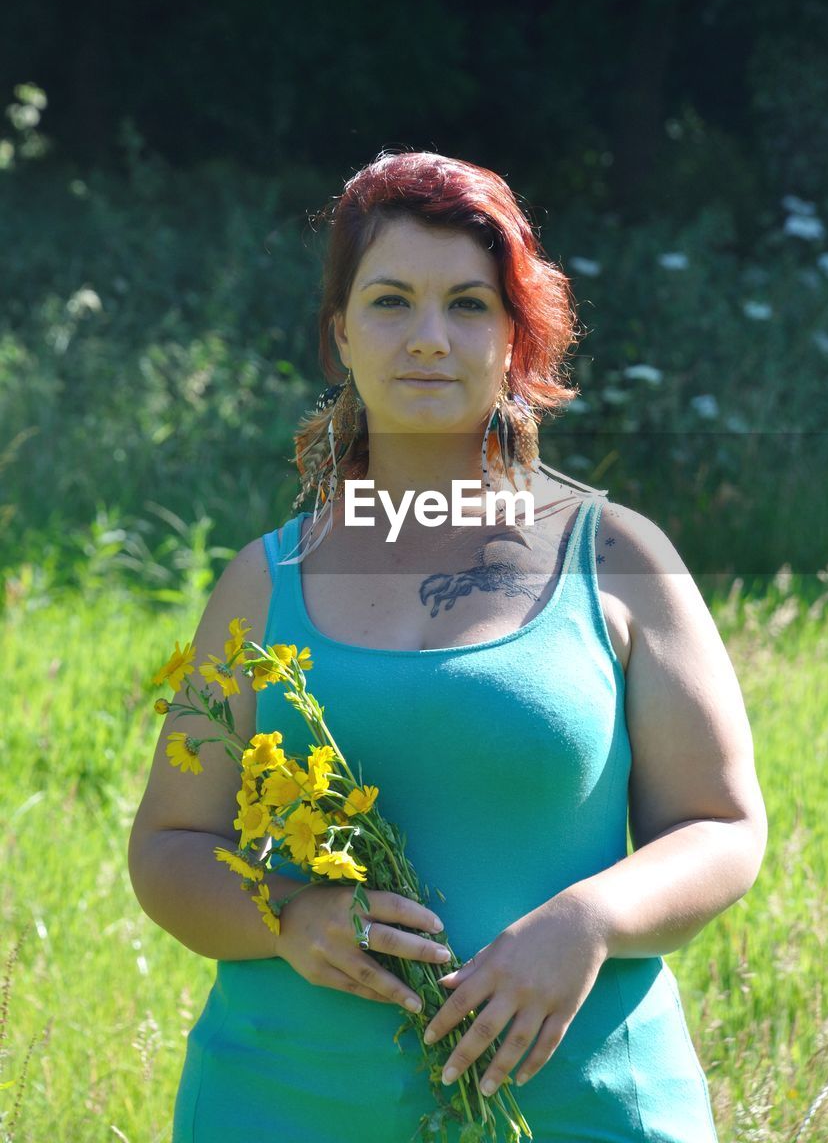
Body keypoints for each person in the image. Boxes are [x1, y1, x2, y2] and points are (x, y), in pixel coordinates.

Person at [128, 149, 768, 1143]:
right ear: (339, 332)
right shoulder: (265, 580)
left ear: (515, 333)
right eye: (390, 301)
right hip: (282, 1102)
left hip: (580, 1107)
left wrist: (584, 921)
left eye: (468, 304)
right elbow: (170, 848)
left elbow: (723, 826)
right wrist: (288, 913)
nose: (428, 337)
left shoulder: (620, 556)